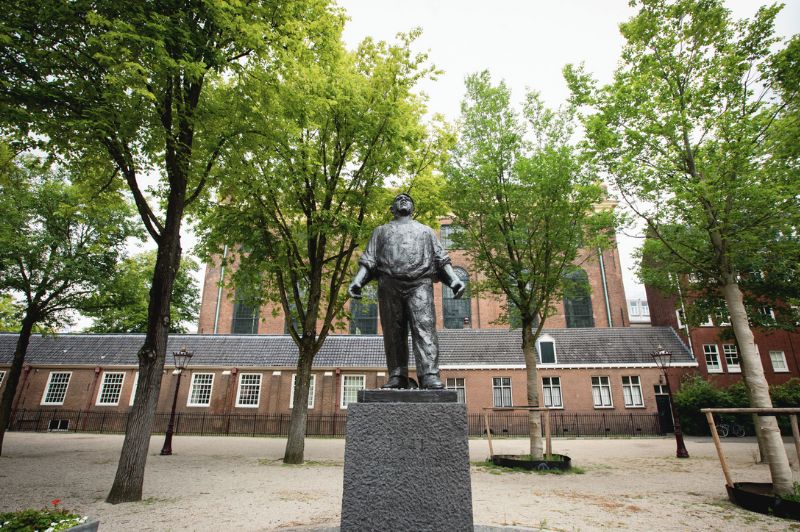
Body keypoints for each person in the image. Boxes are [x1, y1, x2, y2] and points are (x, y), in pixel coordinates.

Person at [348, 193, 465, 389]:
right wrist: (358, 281)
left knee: (425, 328)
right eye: (398, 199)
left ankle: (428, 374)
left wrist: (454, 280)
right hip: (389, 285)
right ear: (392, 209)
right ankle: (397, 375)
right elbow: (369, 260)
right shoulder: (380, 232)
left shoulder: (426, 232)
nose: (403, 200)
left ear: (412, 208)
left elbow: (441, 260)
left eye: (408, 199)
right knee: (393, 332)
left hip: (419, 284)